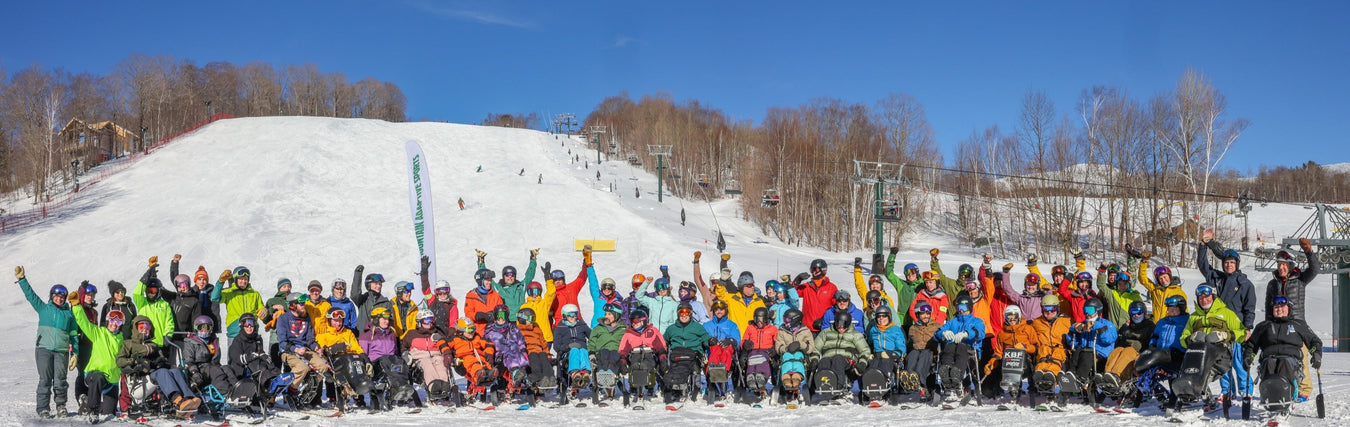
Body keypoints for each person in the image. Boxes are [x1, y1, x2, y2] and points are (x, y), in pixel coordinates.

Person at [1197, 229, 1257, 397]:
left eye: (1231, 262)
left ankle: (1246, 392)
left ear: (1236, 264)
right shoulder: (1217, 279)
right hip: (1219, 329)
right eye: (1226, 262)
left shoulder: (1245, 284)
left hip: (1236, 329)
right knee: (1223, 362)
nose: (1228, 265)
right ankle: (1227, 391)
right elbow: (1203, 266)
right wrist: (1203, 245)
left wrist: (1247, 328)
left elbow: (1249, 308)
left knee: (1239, 363)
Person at [1242, 296, 1323, 413]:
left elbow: (1314, 342)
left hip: (1291, 360)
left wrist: (1316, 355)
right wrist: (1248, 357)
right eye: (1276, 307)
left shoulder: (1298, 325)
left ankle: (1290, 394)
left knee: (1284, 363)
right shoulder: (1264, 326)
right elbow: (1251, 345)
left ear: (1288, 308)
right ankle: (1269, 395)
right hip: (1269, 358)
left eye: (1282, 307)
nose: (1279, 309)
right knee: (1269, 363)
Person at [17, 266, 77, 418]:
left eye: (62, 296)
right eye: (56, 295)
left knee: (60, 380)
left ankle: (61, 406)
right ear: (51, 296)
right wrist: (22, 280)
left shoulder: (69, 315)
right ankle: (43, 408)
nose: (59, 298)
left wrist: (75, 353)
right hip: (43, 349)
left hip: (62, 351)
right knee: (44, 380)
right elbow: (31, 296)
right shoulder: (43, 308)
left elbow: (74, 335)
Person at [1265, 238, 1319, 398]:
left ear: (1290, 265)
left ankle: (1305, 390)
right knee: (1278, 356)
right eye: (1279, 265)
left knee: (1300, 355)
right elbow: (1268, 306)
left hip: (1296, 323)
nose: (1281, 268)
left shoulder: (1300, 279)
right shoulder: (1272, 284)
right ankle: (1279, 385)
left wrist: (1309, 252)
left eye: (1284, 265)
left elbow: (1315, 269)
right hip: (1277, 325)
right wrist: (1268, 325)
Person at [116, 316, 203, 414]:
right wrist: (135, 362)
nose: (145, 330)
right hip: (138, 382)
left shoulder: (154, 345)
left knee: (175, 371)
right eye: (141, 327)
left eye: (147, 327)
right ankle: (177, 401)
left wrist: (161, 362)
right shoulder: (128, 344)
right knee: (162, 372)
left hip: (153, 377)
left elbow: (165, 362)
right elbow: (119, 361)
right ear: (135, 329)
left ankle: (189, 398)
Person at [1175, 284, 1246, 402]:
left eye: (1207, 297)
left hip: (1220, 351)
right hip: (1199, 351)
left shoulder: (1226, 313)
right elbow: (1183, 338)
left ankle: (1197, 390)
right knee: (1191, 363)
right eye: (1201, 298)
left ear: (1213, 297)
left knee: (1208, 367)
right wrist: (1190, 338)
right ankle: (1187, 389)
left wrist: (1225, 335)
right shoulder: (1194, 317)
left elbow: (1242, 332)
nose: (1204, 300)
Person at [70, 296, 124, 421]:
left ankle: (87, 402)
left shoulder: (122, 340)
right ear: (107, 321)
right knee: (99, 378)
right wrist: (77, 306)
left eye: (118, 322)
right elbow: (84, 323)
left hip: (112, 380)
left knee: (108, 412)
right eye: (112, 321)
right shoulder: (98, 333)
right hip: (94, 375)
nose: (114, 325)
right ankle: (92, 410)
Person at [1134, 295, 1190, 405]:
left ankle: (1174, 402)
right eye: (1169, 309)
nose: (1171, 311)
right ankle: (1139, 402)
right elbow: (1154, 336)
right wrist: (1152, 347)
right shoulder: (1162, 322)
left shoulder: (1187, 321)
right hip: (1160, 354)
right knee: (1146, 373)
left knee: (1172, 375)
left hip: (1178, 355)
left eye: (1174, 309)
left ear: (1181, 308)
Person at [1062, 298, 1117, 404]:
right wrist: (1072, 331)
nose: (1087, 314)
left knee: (1087, 353)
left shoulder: (1107, 324)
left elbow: (1109, 339)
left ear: (1098, 311)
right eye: (1085, 310)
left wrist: (1096, 327)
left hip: (1101, 356)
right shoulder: (1083, 324)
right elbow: (1073, 342)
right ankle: (1070, 377)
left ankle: (1080, 379)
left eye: (1090, 310)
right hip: (1083, 354)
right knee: (1077, 352)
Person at [359, 307, 413, 411]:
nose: (386, 321)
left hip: (391, 364)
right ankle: (397, 388)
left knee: (400, 362)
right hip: (375, 365)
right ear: (375, 319)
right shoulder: (367, 336)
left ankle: (402, 389)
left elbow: (396, 352)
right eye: (383, 319)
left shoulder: (392, 334)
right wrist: (366, 365)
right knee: (386, 359)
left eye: (387, 319)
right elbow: (362, 353)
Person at [1099, 301, 1154, 403]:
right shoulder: (1128, 327)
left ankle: (1117, 377)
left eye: (1139, 312)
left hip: (1141, 355)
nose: (1136, 315)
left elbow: (1152, 343)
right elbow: (1120, 341)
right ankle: (1108, 378)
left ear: (1144, 312)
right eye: (1133, 312)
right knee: (1117, 350)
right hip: (1126, 353)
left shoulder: (1150, 326)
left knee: (1128, 350)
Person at [934, 294, 987, 401]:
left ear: (970, 308)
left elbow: (980, 333)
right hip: (952, 349)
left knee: (961, 347)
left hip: (969, 350)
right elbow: (936, 333)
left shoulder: (976, 321)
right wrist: (943, 333)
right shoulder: (952, 322)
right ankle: (947, 376)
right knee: (949, 347)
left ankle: (957, 375)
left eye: (964, 308)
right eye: (959, 308)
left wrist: (967, 334)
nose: (961, 311)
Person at [812, 311, 871, 399]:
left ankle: (839, 388)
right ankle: (823, 385)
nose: (841, 327)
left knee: (837, 359)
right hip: (828, 358)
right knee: (824, 361)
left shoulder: (855, 335)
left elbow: (865, 350)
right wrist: (814, 359)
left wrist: (862, 363)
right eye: (838, 324)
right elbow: (816, 348)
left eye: (844, 325)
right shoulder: (825, 333)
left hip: (848, 362)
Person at [276, 293, 331, 389]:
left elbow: (310, 338)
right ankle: (291, 388)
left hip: (305, 350)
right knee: (303, 367)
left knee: (323, 367)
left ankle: (307, 389)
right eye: (301, 304)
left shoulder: (306, 317)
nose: (304, 306)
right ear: (293, 305)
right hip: (289, 351)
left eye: (304, 303)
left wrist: (316, 347)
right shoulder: (283, 319)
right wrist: (296, 349)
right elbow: (282, 342)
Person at [401, 310, 455, 403]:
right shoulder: (412, 334)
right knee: (427, 363)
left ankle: (444, 385)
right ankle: (433, 386)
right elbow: (403, 345)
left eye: (431, 320)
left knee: (441, 363)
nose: (429, 323)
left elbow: (445, 344)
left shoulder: (437, 332)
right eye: (426, 321)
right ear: (419, 322)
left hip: (436, 355)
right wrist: (405, 354)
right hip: (420, 358)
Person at [985, 305, 1037, 398]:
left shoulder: (1027, 329)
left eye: (1015, 316)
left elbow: (1036, 346)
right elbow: (998, 352)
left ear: (1019, 316)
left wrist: (1025, 347)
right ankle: (1002, 388)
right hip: (1008, 362)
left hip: (1025, 363)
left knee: (1021, 355)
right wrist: (992, 362)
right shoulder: (1002, 333)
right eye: (1009, 316)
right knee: (998, 364)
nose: (1012, 319)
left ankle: (1030, 387)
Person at [479, 248, 539, 321]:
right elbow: (486, 277)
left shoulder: (521, 287)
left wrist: (533, 259)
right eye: (507, 275)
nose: (510, 277)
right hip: (506, 321)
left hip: (520, 320)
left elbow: (529, 275)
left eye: (512, 275)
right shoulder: (498, 288)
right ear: (503, 276)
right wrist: (481, 262)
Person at [1031, 294, 1071, 396]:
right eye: (1046, 308)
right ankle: (1040, 374)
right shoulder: (1036, 322)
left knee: (1057, 354)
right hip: (1043, 350)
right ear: (1042, 309)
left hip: (1061, 350)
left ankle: (1051, 376)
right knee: (1043, 351)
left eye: (1052, 309)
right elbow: (1027, 334)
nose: (1049, 312)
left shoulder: (1067, 321)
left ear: (1057, 308)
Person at [211, 265, 264, 338]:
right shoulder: (229, 293)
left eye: (245, 279)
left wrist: (264, 312)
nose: (244, 281)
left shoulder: (255, 294)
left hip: (251, 330)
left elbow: (262, 310)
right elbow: (214, 298)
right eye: (241, 279)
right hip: (235, 331)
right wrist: (221, 282)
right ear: (235, 279)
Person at [482, 305, 529, 385]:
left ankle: (524, 376)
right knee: (508, 354)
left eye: (503, 316)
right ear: (494, 317)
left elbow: (520, 342)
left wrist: (524, 352)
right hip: (499, 356)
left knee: (518, 354)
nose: (501, 319)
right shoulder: (490, 331)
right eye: (498, 316)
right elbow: (484, 344)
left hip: (515, 353)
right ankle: (516, 373)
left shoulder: (513, 328)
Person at [71, 282, 99, 414]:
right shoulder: (76, 309)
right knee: (82, 372)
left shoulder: (94, 312)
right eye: (87, 294)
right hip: (80, 346)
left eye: (92, 295)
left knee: (91, 373)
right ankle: (82, 397)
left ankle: (90, 398)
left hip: (92, 347)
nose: (90, 297)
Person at [134, 257, 175, 346]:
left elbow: (169, 322)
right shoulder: (142, 303)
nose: (150, 294)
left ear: (159, 291)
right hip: (145, 344)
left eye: (153, 291)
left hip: (161, 343)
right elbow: (137, 293)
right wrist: (147, 276)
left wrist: (167, 336)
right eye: (148, 291)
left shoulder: (164, 305)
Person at [551, 305, 592, 388]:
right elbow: (556, 346)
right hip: (567, 353)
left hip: (582, 350)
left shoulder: (581, 325)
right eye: (570, 315)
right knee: (574, 350)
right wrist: (567, 347)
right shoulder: (560, 327)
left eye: (575, 314)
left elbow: (592, 337)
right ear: (564, 316)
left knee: (584, 351)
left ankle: (585, 373)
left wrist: (590, 347)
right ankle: (575, 373)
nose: (573, 317)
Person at [549, 248, 592, 327]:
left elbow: (581, 278)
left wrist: (585, 265)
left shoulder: (571, 287)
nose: (558, 282)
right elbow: (549, 314)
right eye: (555, 280)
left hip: (577, 321)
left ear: (563, 279)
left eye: (560, 279)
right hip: (561, 325)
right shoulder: (551, 295)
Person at [795, 259, 840, 332]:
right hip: (807, 327)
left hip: (825, 327)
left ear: (823, 270)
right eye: (812, 270)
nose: (813, 272)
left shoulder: (831, 288)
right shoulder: (807, 287)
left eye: (815, 269)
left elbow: (836, 307)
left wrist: (824, 319)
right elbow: (792, 294)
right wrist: (797, 281)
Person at [1138, 253, 1185, 323]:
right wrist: (1144, 262)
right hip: (1155, 325)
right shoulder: (1155, 290)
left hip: (1169, 326)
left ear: (1170, 276)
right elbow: (1143, 279)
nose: (1163, 280)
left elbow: (1184, 312)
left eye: (1165, 277)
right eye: (1160, 279)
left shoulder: (1178, 292)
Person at [351, 265, 392, 339]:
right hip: (363, 337)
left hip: (379, 340)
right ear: (369, 285)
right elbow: (354, 294)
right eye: (376, 284)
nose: (379, 286)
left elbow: (391, 321)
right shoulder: (362, 300)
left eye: (380, 284)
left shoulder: (385, 302)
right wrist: (358, 274)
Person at [929, 248, 975, 314]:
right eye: (962, 273)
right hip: (952, 320)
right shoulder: (951, 284)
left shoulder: (972, 289)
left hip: (967, 321)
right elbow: (939, 276)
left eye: (966, 274)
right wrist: (934, 260)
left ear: (970, 275)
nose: (963, 276)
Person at [883, 247, 922, 324]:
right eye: (907, 273)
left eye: (912, 272)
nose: (910, 275)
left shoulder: (923, 285)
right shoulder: (901, 285)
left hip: (917, 320)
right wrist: (892, 255)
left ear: (917, 273)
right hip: (902, 321)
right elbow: (888, 273)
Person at [262, 278, 292, 366]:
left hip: (290, 335)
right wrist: (272, 309)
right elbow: (265, 319)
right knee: (274, 360)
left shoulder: (292, 300)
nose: (287, 288)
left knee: (288, 361)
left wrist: (284, 311)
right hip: (275, 336)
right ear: (279, 288)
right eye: (284, 286)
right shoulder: (272, 301)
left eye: (289, 286)